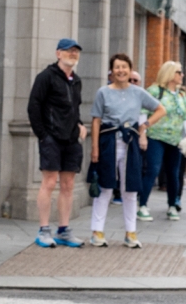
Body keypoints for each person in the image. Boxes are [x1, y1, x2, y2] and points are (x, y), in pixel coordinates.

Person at [87, 54, 164, 248]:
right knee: (105, 187)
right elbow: (96, 120)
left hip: (130, 143)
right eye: (117, 67)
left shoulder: (138, 92)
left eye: (124, 67)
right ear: (111, 71)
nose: (121, 70)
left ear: (130, 70)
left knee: (130, 188)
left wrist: (144, 126)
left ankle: (131, 232)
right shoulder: (103, 92)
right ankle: (97, 231)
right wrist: (94, 147)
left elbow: (160, 109)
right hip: (108, 142)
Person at [29, 40, 87, 248]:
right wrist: (43, 135)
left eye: (76, 51)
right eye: (69, 51)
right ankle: (44, 230)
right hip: (51, 137)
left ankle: (63, 230)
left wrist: (79, 125)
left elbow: (73, 109)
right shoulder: (46, 77)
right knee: (49, 182)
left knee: (68, 184)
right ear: (58, 53)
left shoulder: (76, 81)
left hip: (71, 139)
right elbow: (34, 106)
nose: (73, 54)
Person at [139, 59, 186, 220]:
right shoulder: (155, 91)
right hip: (156, 136)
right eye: (179, 72)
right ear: (169, 74)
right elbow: (143, 112)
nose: (182, 75)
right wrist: (142, 134)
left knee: (173, 173)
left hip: (175, 140)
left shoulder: (181, 94)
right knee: (153, 170)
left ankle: (172, 206)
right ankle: (142, 205)